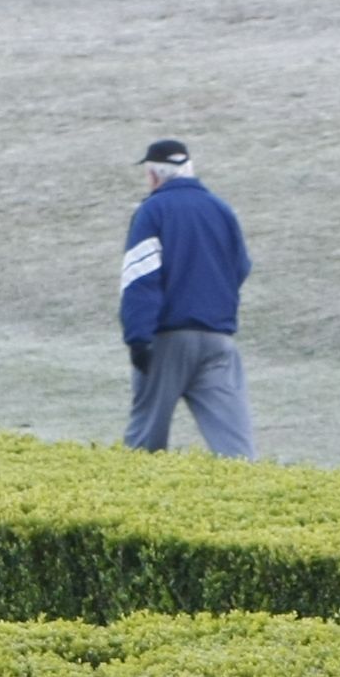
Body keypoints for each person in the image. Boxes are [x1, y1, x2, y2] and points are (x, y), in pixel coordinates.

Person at [120, 139, 254, 457]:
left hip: (167, 340)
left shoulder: (152, 211)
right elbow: (240, 267)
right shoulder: (221, 210)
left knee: (144, 444)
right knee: (236, 447)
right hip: (219, 338)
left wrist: (138, 339)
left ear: (154, 175)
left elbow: (141, 278)